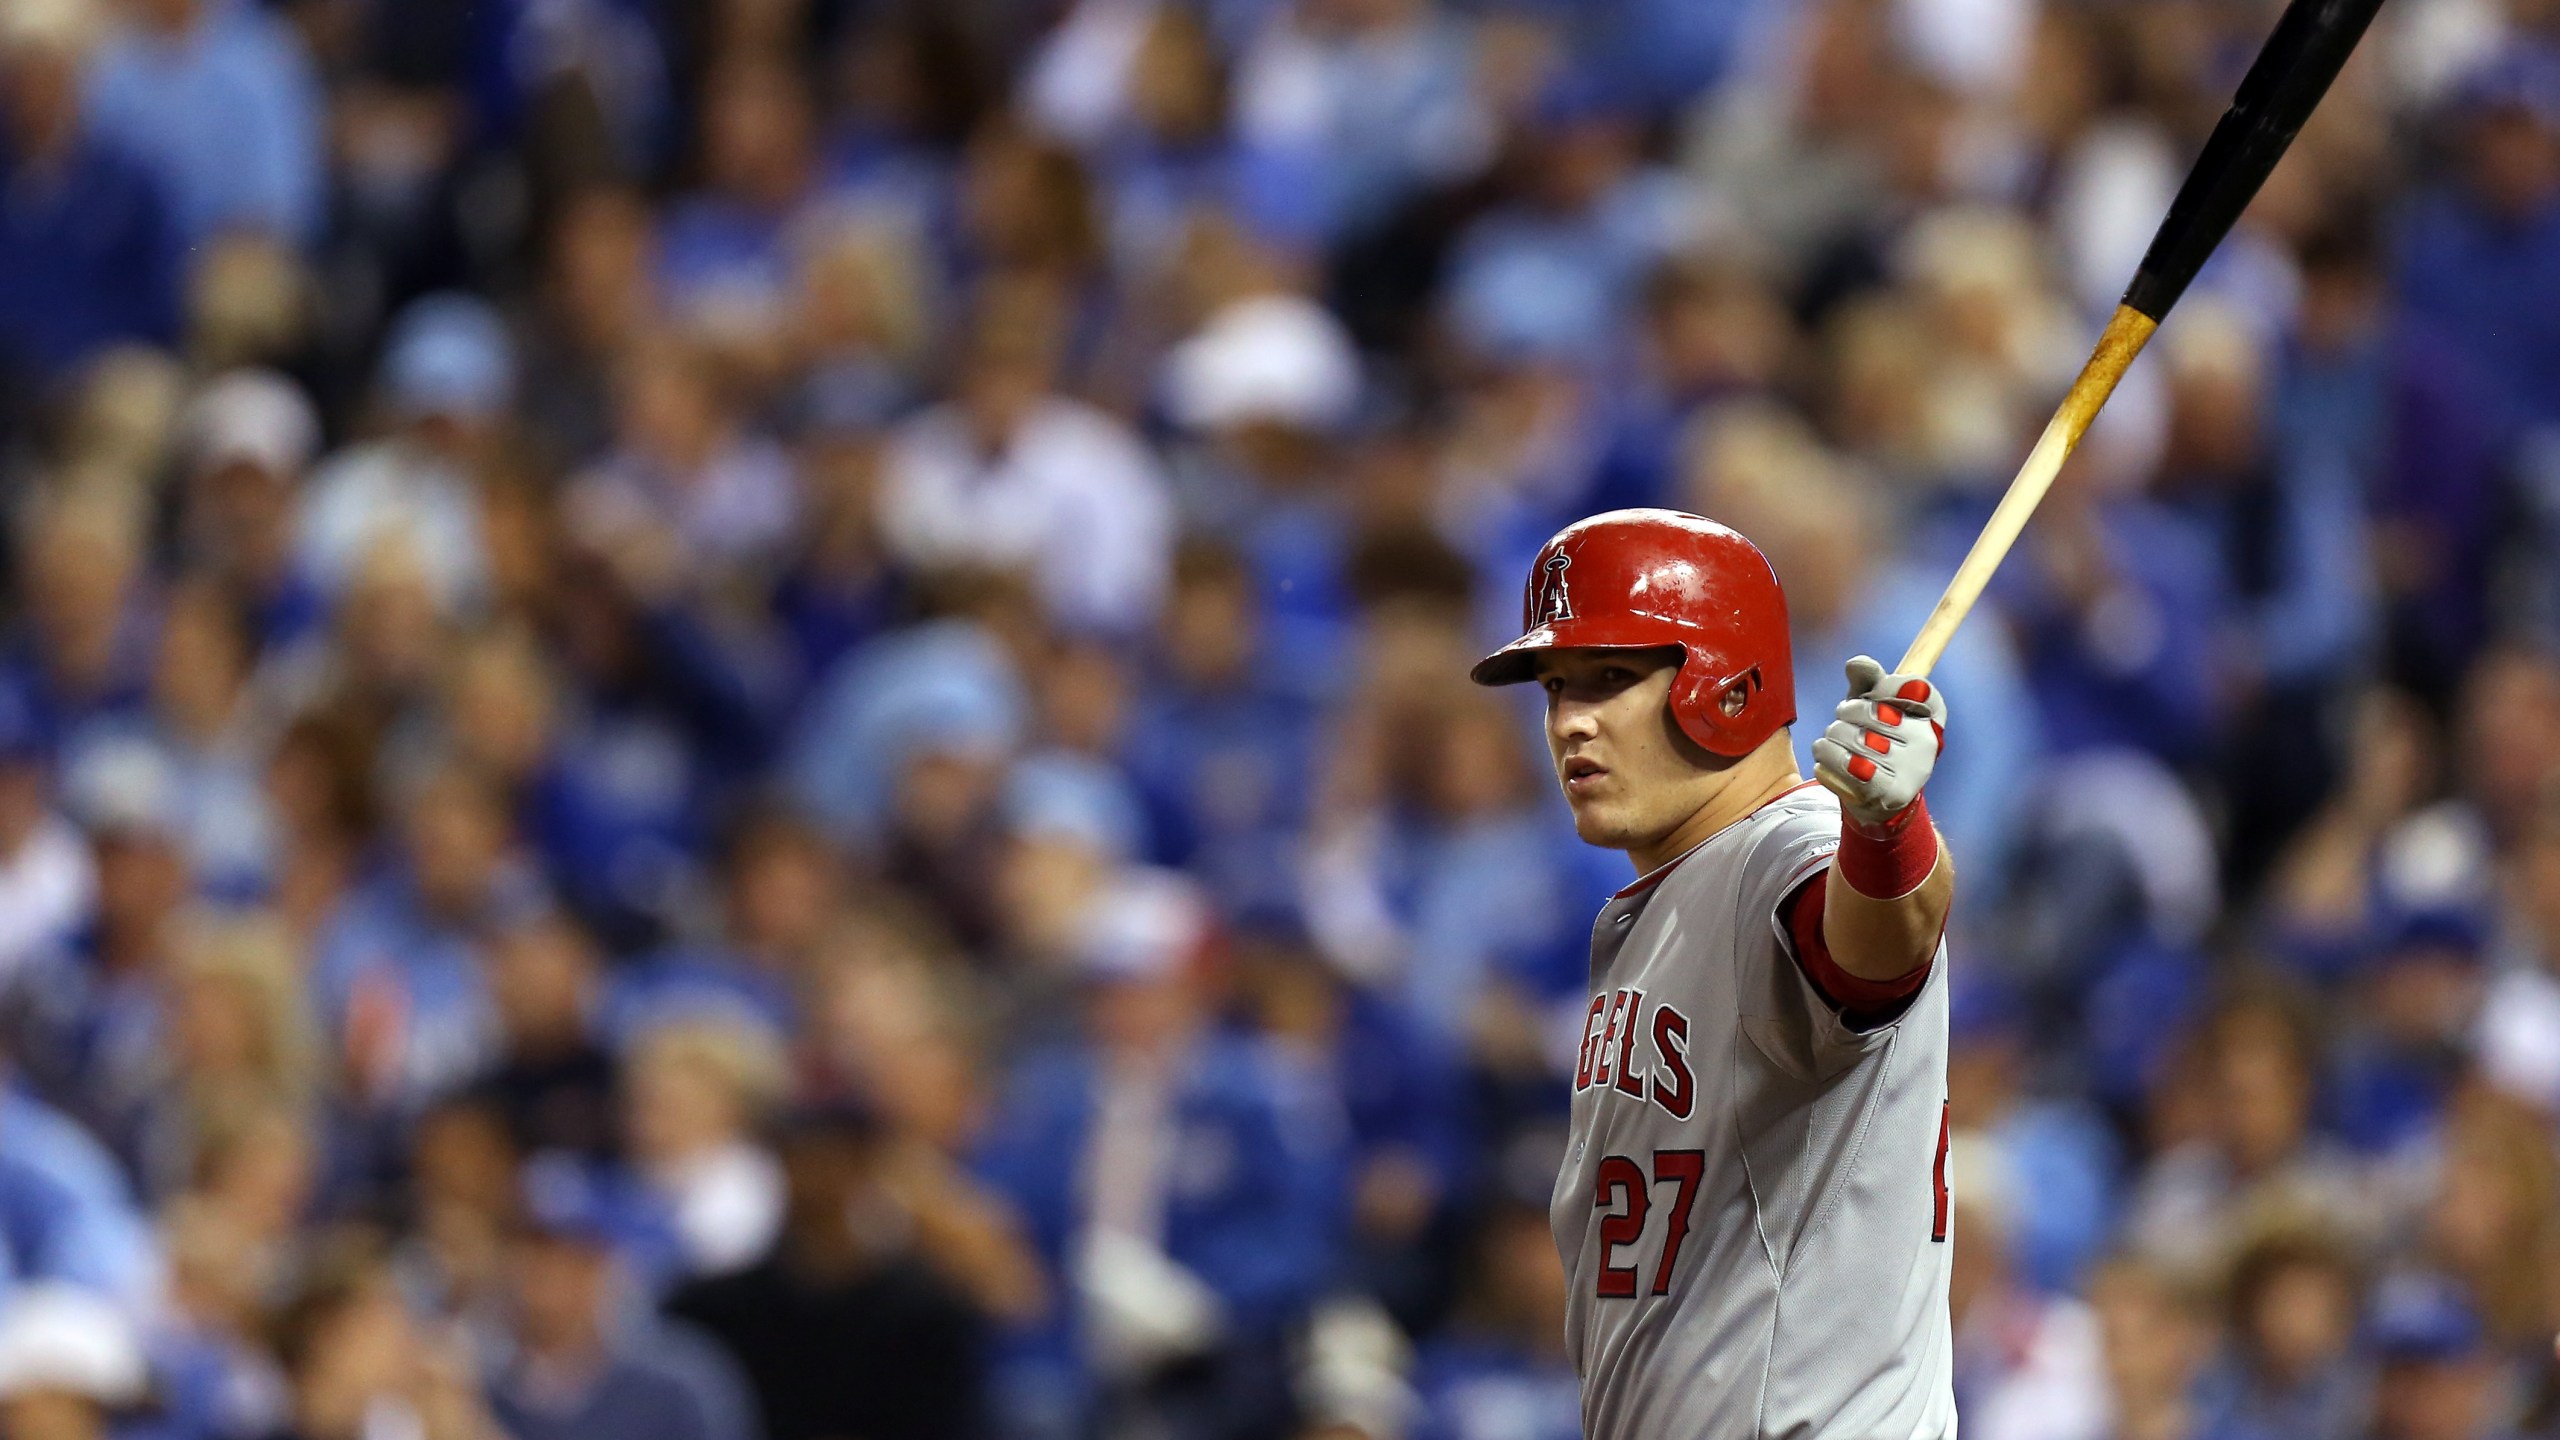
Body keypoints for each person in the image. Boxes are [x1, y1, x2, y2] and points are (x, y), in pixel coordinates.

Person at [1465, 507, 1957, 1438]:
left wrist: (1886, 831)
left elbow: (1876, 946)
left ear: (1726, 685)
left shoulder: (1786, 847)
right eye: (1557, 688)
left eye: (1611, 679)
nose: (1569, 722)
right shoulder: (1682, 886)